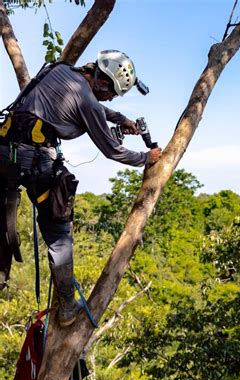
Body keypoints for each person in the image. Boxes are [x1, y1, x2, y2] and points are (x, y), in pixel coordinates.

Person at [0, 50, 162, 327]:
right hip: (34, 160)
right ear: (102, 81)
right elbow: (112, 150)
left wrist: (120, 118)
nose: (109, 99)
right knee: (58, 230)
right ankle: (66, 306)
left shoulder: (60, 70)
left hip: (4, 151)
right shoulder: (88, 100)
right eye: (111, 93)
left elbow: (96, 108)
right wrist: (146, 159)